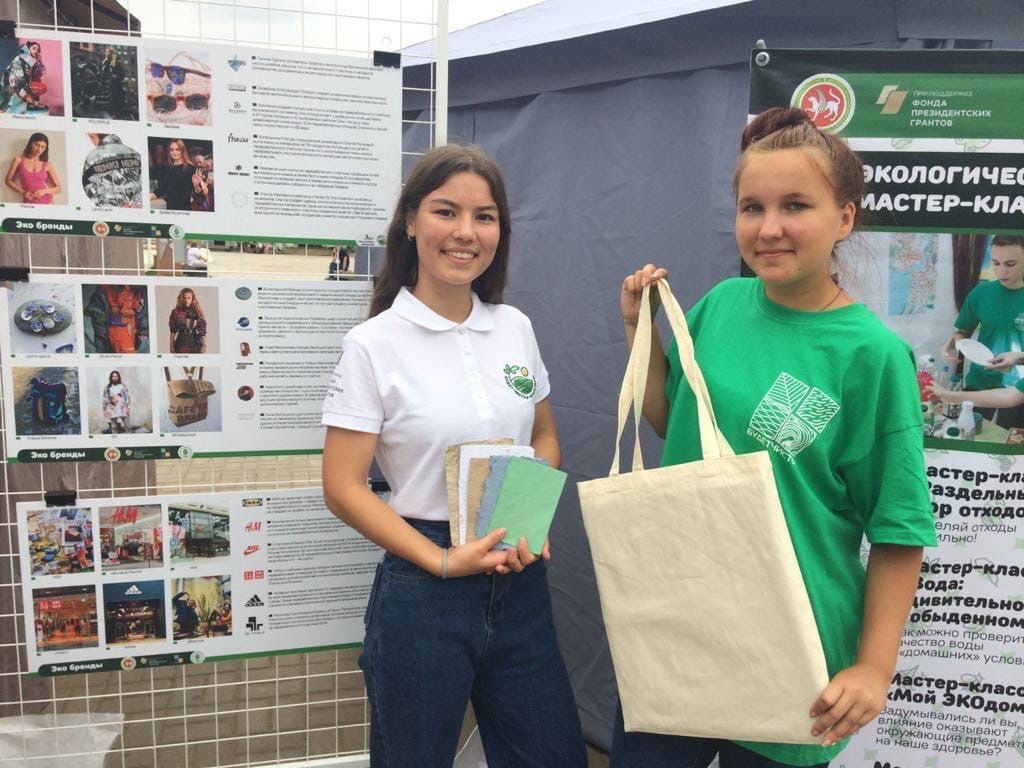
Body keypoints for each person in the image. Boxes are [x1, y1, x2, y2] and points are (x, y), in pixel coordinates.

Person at [612, 107, 936, 768]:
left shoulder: (871, 356)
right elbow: (676, 435)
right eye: (751, 207)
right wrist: (639, 335)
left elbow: (899, 529)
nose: (769, 228)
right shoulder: (721, 305)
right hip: (678, 621)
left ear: (844, 218)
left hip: (793, 640)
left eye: (795, 206)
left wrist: (874, 669)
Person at [321, 144, 586, 766]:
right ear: (410, 221)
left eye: (485, 216)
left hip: (517, 577)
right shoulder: (373, 345)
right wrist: (441, 561)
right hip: (423, 589)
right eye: (447, 212)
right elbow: (343, 486)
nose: (466, 233)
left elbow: (544, 437)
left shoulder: (514, 327)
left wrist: (526, 514)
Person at [941, 235, 1024, 428]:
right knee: (969, 434)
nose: (1001, 271)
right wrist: (954, 344)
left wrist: (1018, 357)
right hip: (979, 381)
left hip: (1018, 388)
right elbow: (963, 331)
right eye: (996, 262)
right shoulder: (981, 293)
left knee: (1009, 446)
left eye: (1010, 264)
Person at [5, 133, 62, 204]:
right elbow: (8, 181)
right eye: (37, 145)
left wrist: (44, 191)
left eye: (43, 147)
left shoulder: (47, 164)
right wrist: (23, 192)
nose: (39, 149)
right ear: (31, 144)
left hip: (48, 202)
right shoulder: (18, 160)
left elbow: (59, 188)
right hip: (28, 203)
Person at [0, 41, 45, 113]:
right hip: (9, 97)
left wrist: (40, 62)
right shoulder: (19, 60)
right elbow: (17, 85)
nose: (36, 51)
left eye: (38, 50)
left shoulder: (30, 63)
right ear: (27, 49)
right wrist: (33, 102)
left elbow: (39, 74)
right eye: (34, 48)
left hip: (19, 95)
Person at [150, 139, 194, 211]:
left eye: (177, 149)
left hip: (184, 209)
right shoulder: (168, 168)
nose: (174, 152)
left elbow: (197, 191)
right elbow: (162, 189)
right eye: (172, 150)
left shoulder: (190, 168)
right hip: (170, 208)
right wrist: (148, 197)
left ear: (182, 151)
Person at [168, 287, 207, 353]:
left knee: (195, 363)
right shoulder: (176, 312)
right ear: (181, 298)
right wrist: (171, 346)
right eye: (184, 298)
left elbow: (202, 331)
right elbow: (173, 331)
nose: (186, 300)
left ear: (192, 299)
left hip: (195, 345)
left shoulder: (197, 312)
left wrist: (204, 346)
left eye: (189, 298)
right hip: (180, 344)